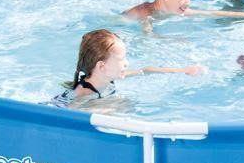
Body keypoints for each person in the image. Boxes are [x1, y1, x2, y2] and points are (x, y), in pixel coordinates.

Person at [50, 29, 202, 108]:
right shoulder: (84, 93)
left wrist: (184, 70)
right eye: (121, 59)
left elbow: (145, 70)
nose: (126, 63)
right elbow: (68, 116)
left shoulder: (106, 77)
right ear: (102, 66)